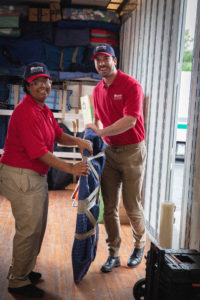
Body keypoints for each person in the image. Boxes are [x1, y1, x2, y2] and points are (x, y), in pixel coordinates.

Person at [0, 62, 92, 297]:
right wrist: (72, 168)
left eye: (46, 80)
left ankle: (24, 269)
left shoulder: (43, 109)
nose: (43, 85)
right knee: (29, 230)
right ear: (27, 87)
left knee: (36, 229)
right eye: (36, 82)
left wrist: (78, 140)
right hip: (21, 176)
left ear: (51, 83)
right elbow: (40, 153)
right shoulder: (26, 112)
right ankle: (17, 282)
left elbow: (58, 136)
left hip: (34, 176)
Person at [86, 44, 147, 273]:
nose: (102, 63)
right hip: (110, 153)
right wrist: (93, 134)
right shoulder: (97, 90)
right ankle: (113, 253)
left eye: (106, 58)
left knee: (131, 205)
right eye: (97, 60)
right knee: (109, 207)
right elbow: (98, 121)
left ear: (115, 60)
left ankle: (140, 246)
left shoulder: (131, 85)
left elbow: (130, 120)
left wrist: (101, 132)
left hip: (133, 152)